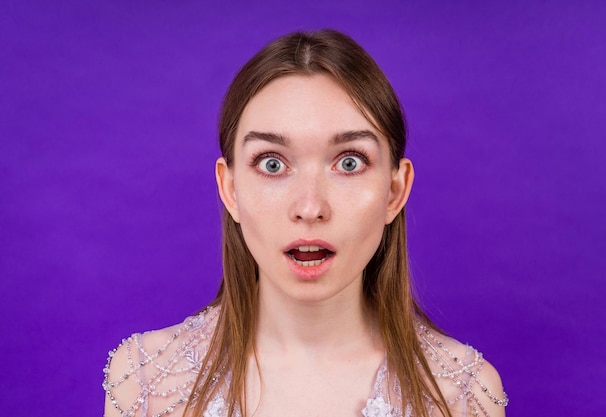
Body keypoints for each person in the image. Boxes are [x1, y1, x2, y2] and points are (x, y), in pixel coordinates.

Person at [103, 29, 508, 417]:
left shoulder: (464, 393)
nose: (310, 207)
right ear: (230, 190)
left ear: (394, 191)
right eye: (272, 163)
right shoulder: (143, 381)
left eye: (349, 162)